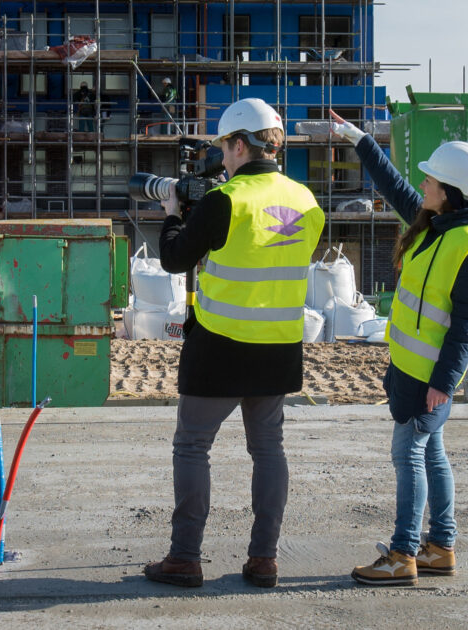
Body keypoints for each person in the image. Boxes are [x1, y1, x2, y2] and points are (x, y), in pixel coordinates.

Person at [143, 98, 325, 589]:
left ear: (241, 144)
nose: (221, 156)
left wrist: (172, 212)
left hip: (221, 346)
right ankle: (264, 559)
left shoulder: (227, 200)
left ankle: (185, 558)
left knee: (192, 446)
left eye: (225, 146)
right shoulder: (308, 203)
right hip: (280, 347)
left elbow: (176, 260)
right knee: (268, 450)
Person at [329, 110, 468, 587]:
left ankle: (403, 554)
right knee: (432, 454)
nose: (423, 184)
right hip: (411, 372)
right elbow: (396, 187)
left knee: (410, 454)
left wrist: (444, 384)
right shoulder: (437, 225)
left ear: (450, 191)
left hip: (429, 380)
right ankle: (441, 546)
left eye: (432, 180)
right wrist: (361, 140)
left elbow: (467, 324)